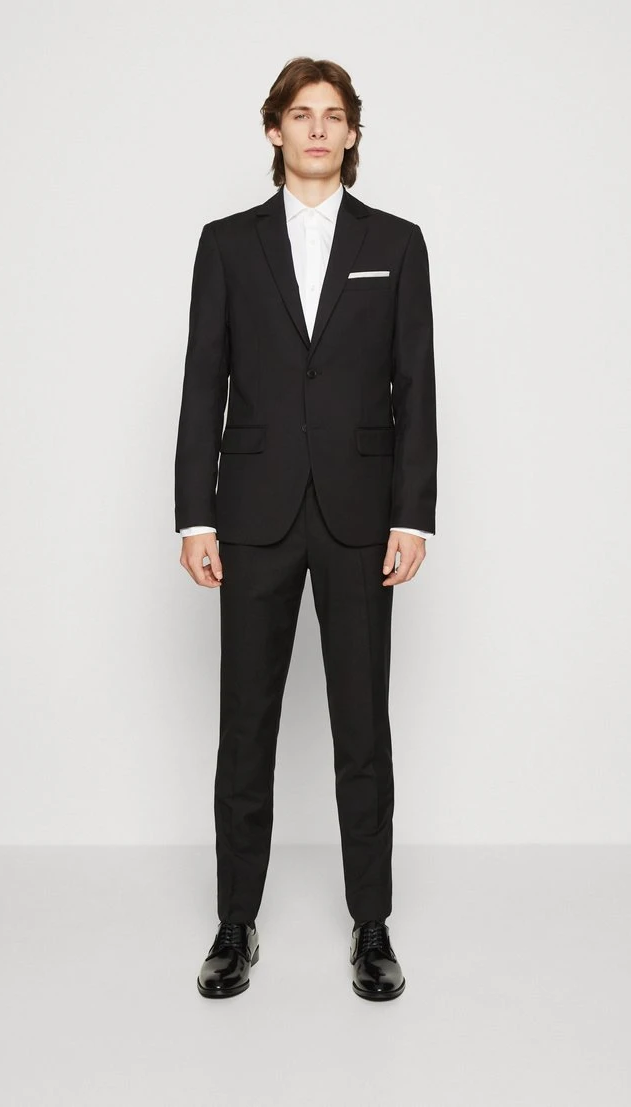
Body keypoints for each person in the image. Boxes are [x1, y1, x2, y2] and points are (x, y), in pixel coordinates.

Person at [174, 56, 437, 1001]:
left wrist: (413, 514)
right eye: (301, 113)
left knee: (363, 728)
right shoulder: (227, 244)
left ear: (352, 133)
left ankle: (372, 924)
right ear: (274, 129)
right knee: (246, 725)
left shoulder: (396, 243)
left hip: (363, 518)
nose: (317, 128)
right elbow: (203, 380)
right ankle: (234, 923)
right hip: (252, 515)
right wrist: (195, 514)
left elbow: (416, 385)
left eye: (333, 115)